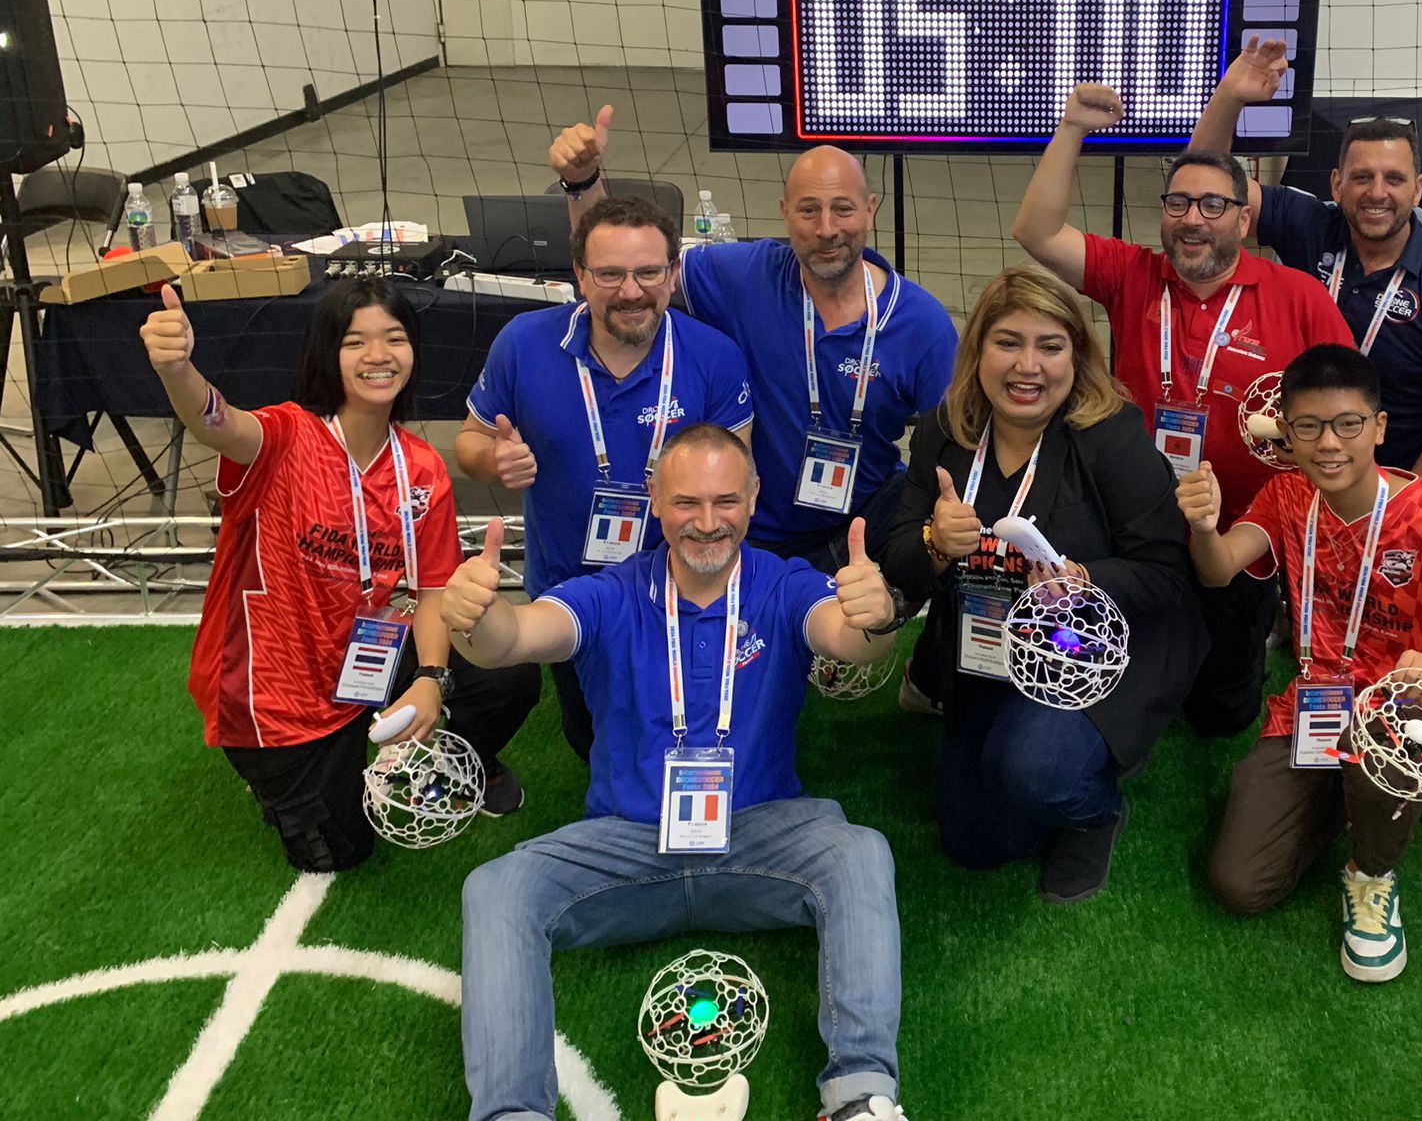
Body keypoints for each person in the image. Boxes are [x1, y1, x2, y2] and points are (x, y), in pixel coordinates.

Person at [445, 424, 912, 1121]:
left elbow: (843, 638)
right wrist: (476, 622)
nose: (707, 521)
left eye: (726, 500)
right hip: (630, 844)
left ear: (753, 500)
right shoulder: (607, 593)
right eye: (687, 501)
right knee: (498, 889)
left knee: (860, 853)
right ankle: (513, 1112)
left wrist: (875, 621)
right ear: (654, 501)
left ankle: (860, 1095)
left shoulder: (782, 582)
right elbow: (519, 636)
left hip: (759, 839)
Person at [548, 108, 958, 713]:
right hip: (751, 529)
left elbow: (951, 440)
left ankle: (931, 673)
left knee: (949, 530)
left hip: (860, 518)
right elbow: (628, 277)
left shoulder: (921, 324)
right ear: (784, 213)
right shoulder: (741, 274)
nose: (826, 228)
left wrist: (938, 531)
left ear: (871, 210)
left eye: (843, 209)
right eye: (808, 210)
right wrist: (584, 186)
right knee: (726, 690)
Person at [139, 276, 539, 871]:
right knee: (341, 853)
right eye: (356, 342)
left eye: (394, 338)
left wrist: (431, 678)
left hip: (363, 654)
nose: (378, 356)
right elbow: (216, 421)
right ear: (327, 353)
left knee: (507, 674)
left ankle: (454, 752)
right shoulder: (283, 436)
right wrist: (177, 370)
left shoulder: (420, 467)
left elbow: (431, 589)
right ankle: (282, 779)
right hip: (275, 694)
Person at [1012, 77, 1354, 736]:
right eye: (1178, 203)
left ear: (1244, 219)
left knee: (1221, 717)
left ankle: (1229, 654)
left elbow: (1347, 409)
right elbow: (1036, 229)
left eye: (1212, 205)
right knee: (1109, 672)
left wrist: (1309, 444)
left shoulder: (1299, 296)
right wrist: (1072, 129)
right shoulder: (1132, 274)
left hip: (1237, 535)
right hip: (1133, 519)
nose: (1193, 219)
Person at [1178, 344, 1422, 983]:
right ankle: (1343, 800)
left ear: (1380, 428)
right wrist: (1203, 526)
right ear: (1286, 431)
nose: (1328, 444)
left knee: (1387, 745)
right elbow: (1221, 567)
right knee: (1239, 885)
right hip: (1315, 703)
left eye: (1348, 425)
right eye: (1308, 427)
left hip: (1404, 713)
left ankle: (1370, 873)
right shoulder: (1286, 496)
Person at [878, 266, 1201, 903]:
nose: (1028, 366)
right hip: (987, 654)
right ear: (978, 350)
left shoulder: (1110, 437)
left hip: (1090, 653)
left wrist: (1087, 579)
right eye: (1008, 342)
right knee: (978, 845)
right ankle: (1023, 760)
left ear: (1076, 358)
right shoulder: (946, 431)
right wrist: (935, 543)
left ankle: (1096, 810)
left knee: (1038, 773)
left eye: (1050, 346)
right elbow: (898, 562)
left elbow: (1170, 576)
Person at [455, 194, 753, 766]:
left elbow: (739, 477)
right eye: (610, 274)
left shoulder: (714, 357)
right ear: (579, 276)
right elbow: (470, 441)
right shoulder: (523, 343)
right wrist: (493, 461)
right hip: (567, 587)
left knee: (686, 722)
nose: (631, 291)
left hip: (684, 585)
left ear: (671, 274)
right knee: (590, 730)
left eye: (647, 272)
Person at [1192, 60, 1422, 529]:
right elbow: (1207, 186)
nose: (1377, 193)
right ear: (1337, 184)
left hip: (1405, 461)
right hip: (1303, 447)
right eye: (1361, 177)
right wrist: (1229, 98)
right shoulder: (1310, 225)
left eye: (1394, 179)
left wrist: (1390, 507)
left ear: (1417, 190)